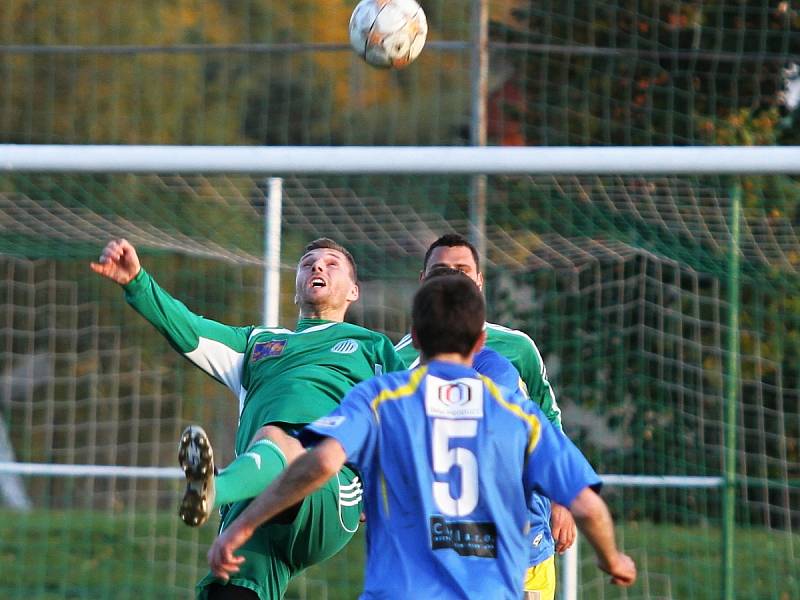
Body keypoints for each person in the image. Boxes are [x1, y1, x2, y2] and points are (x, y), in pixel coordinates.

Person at [207, 274, 636, 599]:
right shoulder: (515, 412)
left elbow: (320, 462)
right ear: (481, 341)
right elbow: (589, 506)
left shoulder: (381, 398)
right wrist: (612, 559)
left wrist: (242, 527)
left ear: (414, 335)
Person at [91, 237, 405, 600]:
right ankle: (223, 492)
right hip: (254, 503)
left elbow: (407, 417)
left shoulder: (373, 347)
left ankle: (214, 488)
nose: (317, 267)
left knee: (278, 438)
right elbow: (190, 329)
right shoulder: (258, 343)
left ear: (354, 290)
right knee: (231, 587)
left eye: (331, 263)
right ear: (295, 290)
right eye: (308, 263)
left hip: (331, 491)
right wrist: (137, 283)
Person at [394, 233, 572, 599]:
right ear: (423, 280)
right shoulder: (397, 359)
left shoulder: (517, 349)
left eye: (462, 270)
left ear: (478, 282)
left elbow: (548, 423)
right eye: (441, 270)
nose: (452, 277)